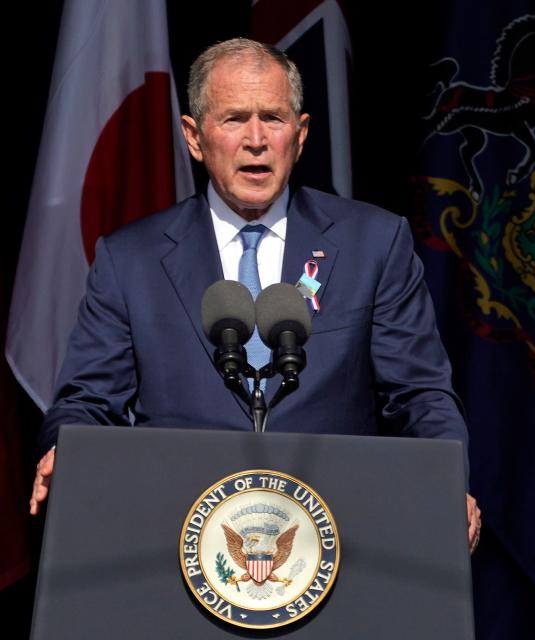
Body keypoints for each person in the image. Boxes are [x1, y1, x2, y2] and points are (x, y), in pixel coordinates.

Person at [29, 38, 481, 552]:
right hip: (175, 541)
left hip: (340, 539)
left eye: (273, 117)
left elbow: (421, 395)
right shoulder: (129, 260)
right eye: (234, 119)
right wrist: (66, 449)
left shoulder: (374, 244)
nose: (256, 139)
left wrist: (446, 478)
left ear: (301, 134)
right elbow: (85, 403)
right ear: (194, 138)